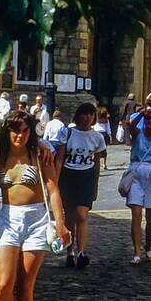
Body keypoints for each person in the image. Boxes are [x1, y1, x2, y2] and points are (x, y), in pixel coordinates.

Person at [0, 111, 69, 301]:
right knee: (4, 283)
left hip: (36, 218)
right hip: (8, 218)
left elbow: (53, 189)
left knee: (26, 283)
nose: (20, 136)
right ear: (8, 131)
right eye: (16, 131)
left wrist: (60, 223)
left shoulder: (39, 154)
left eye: (26, 131)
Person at [56, 103, 106, 270]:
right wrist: (55, 182)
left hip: (86, 176)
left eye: (90, 115)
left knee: (82, 216)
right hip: (69, 176)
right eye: (84, 114)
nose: (87, 118)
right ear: (78, 116)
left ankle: (81, 252)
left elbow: (97, 163)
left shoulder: (98, 137)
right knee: (70, 216)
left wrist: (95, 185)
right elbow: (60, 159)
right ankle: (70, 251)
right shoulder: (68, 132)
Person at [122, 108, 151, 264]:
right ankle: (137, 251)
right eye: (148, 118)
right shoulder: (138, 134)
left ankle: (148, 247)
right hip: (136, 174)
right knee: (136, 215)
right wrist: (141, 113)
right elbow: (129, 126)